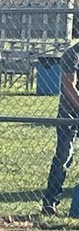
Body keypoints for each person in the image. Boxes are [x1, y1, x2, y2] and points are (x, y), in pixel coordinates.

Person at [41, 39, 79, 215]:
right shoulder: (73, 54)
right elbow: (69, 85)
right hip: (69, 113)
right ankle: (50, 201)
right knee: (64, 155)